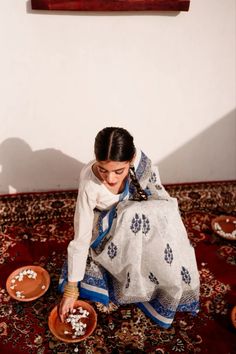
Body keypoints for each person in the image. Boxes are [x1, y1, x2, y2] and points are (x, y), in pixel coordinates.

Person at [58, 127, 200, 328]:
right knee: (131, 214)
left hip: (138, 215)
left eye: (119, 171)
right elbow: (81, 235)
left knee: (166, 214)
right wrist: (71, 289)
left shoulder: (139, 161)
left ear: (131, 160)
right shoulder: (89, 184)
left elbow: (157, 192)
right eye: (102, 169)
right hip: (108, 226)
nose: (110, 179)